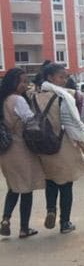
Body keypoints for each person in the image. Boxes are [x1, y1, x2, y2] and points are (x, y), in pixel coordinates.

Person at [37, 63, 84, 233]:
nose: (64, 80)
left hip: (43, 146)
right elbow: (70, 126)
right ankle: (65, 223)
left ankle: (51, 210)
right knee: (66, 185)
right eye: (61, 76)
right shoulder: (62, 98)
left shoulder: (35, 96)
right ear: (50, 78)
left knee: (50, 181)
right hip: (61, 145)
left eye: (65, 77)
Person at [0, 68, 45, 238]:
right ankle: (24, 228)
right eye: (23, 82)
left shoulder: (2, 100)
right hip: (20, 149)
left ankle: (5, 219)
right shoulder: (18, 100)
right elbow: (29, 120)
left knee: (13, 186)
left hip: (4, 150)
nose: (26, 85)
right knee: (26, 188)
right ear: (14, 83)